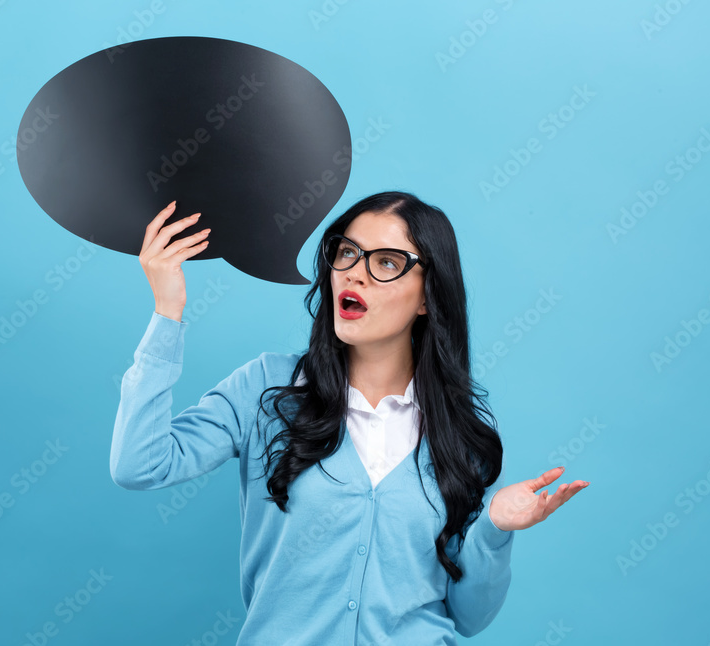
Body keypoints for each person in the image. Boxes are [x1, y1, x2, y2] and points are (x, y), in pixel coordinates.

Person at [110, 191, 588, 645]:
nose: (355, 273)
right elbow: (140, 465)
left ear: (427, 297)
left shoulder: (460, 434)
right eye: (347, 253)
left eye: (385, 262)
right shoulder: (267, 389)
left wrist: (494, 530)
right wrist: (167, 312)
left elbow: (469, 618)